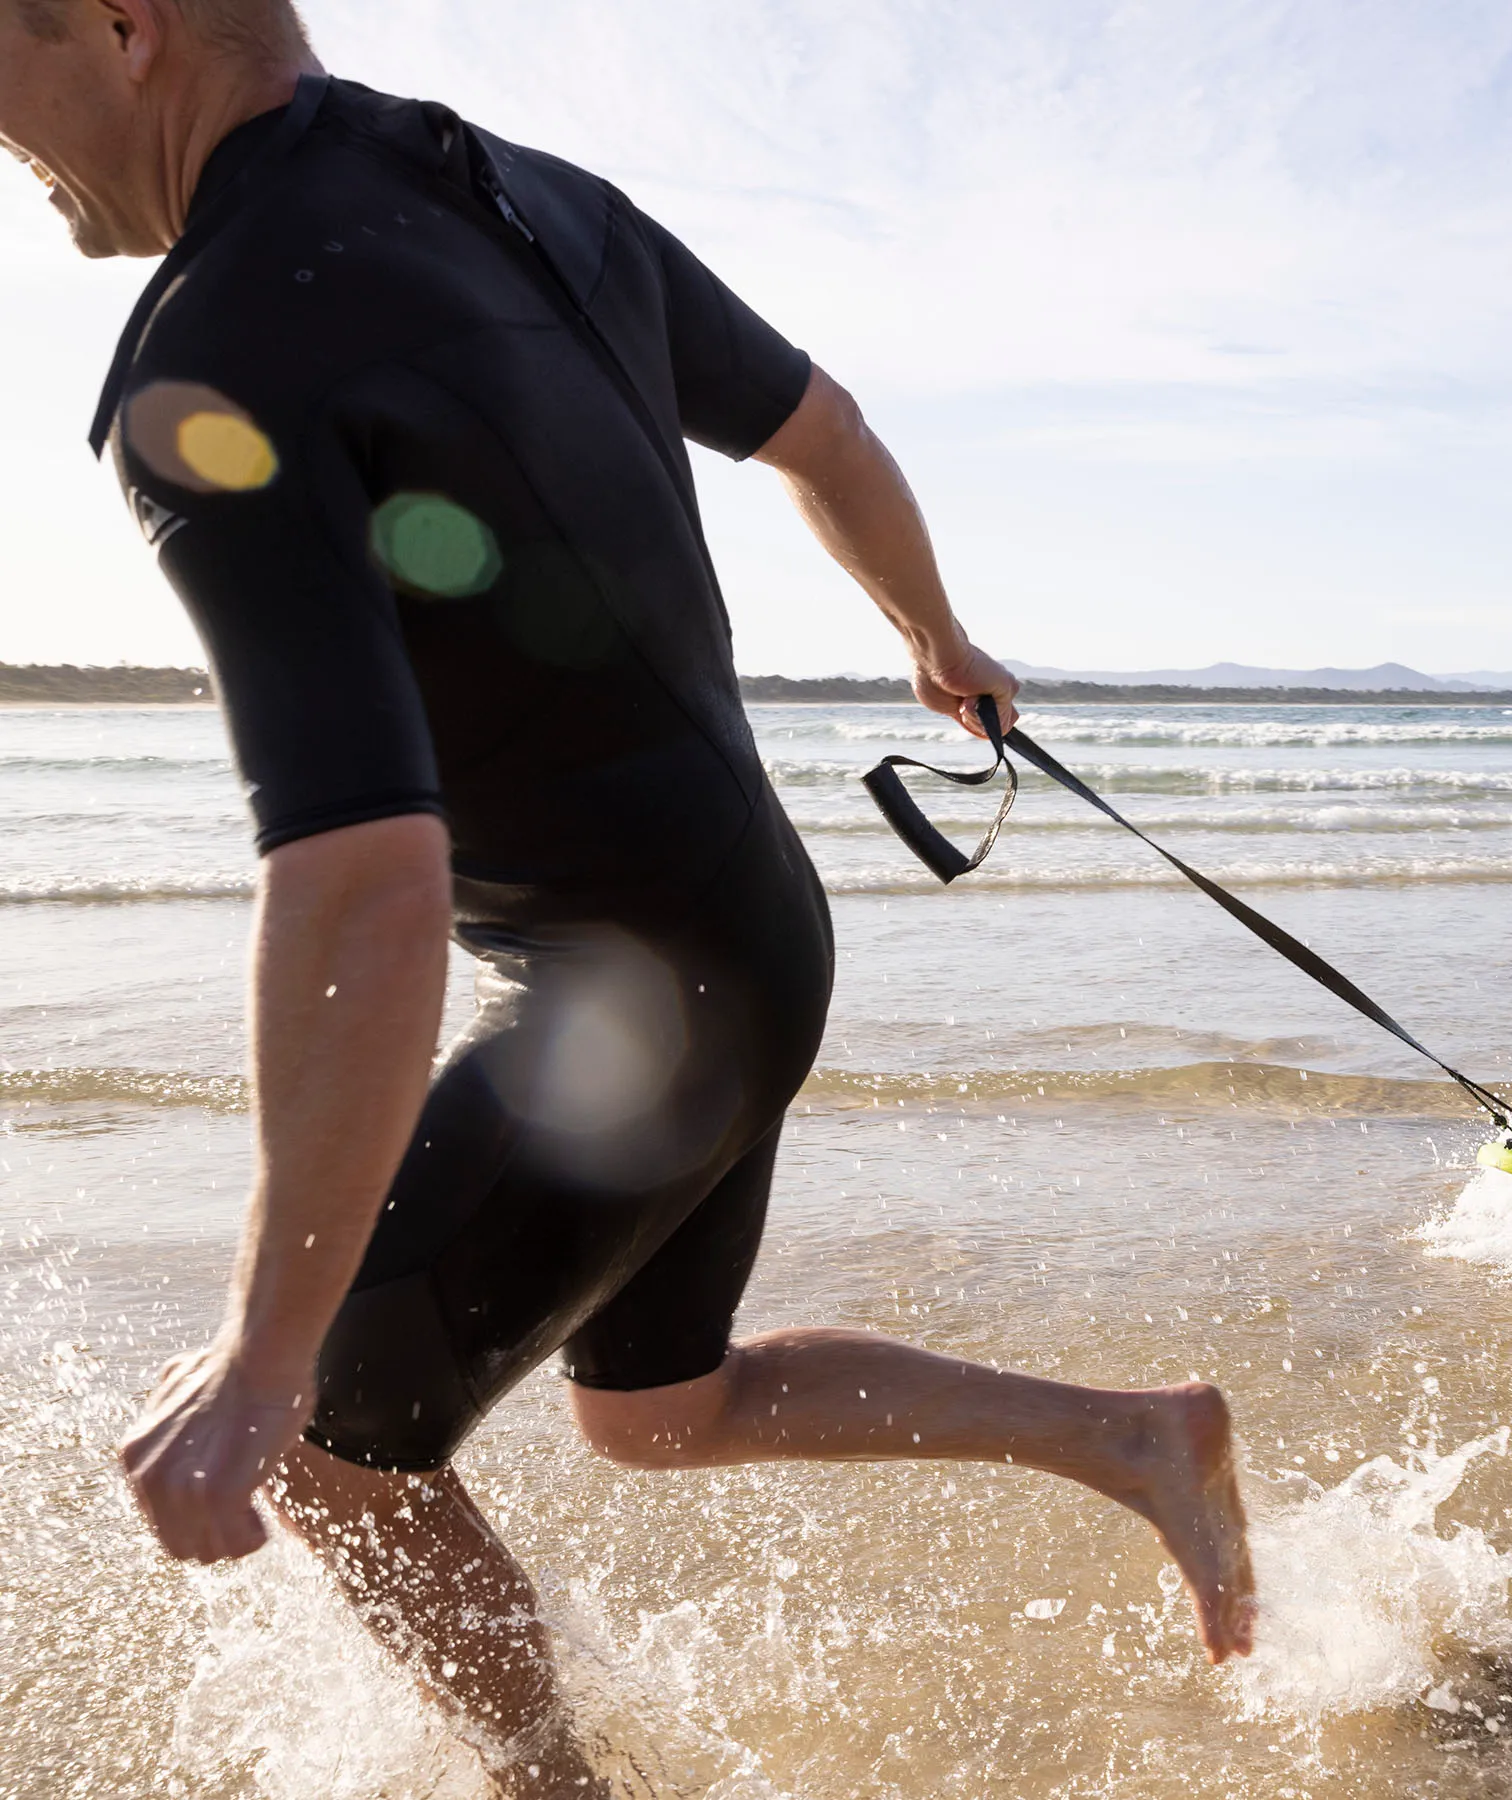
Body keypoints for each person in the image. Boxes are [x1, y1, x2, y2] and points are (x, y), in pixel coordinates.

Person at [0, 2, 1253, 1792]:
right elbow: (825, 431)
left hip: (628, 1002)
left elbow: (366, 876)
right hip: (753, 933)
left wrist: (263, 1357)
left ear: (122, 26)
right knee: (660, 1415)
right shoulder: (532, 197)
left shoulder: (212, 359)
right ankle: (1136, 1439)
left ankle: (554, 1789)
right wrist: (937, 642)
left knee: (324, 1448)